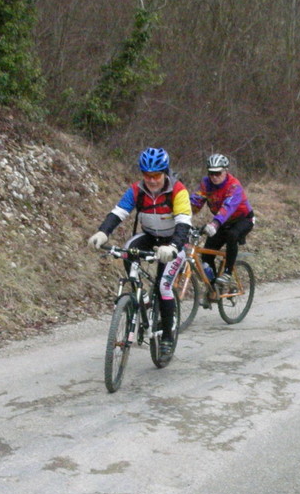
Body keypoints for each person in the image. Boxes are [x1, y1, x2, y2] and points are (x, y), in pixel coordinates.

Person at [89, 148, 191, 357]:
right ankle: (142, 296)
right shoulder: (137, 190)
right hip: (150, 236)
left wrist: (173, 247)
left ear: (165, 173)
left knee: (163, 286)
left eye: (156, 175)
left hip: (174, 241)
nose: (151, 180)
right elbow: (119, 212)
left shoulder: (178, 191)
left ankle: (167, 337)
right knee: (127, 251)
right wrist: (103, 232)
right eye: (147, 175)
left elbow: (183, 222)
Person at [189, 153, 255, 286]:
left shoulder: (234, 186)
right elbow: (195, 202)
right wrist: (181, 216)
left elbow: (227, 208)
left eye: (218, 173)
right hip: (223, 222)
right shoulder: (206, 183)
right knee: (206, 256)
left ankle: (227, 273)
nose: (214, 177)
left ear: (226, 171)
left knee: (232, 235)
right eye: (211, 173)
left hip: (242, 219)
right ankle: (214, 288)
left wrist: (214, 224)